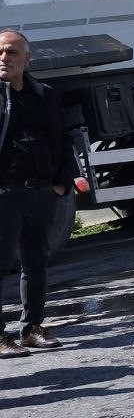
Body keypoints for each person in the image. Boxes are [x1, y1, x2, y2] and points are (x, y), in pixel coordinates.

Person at [0, 30, 76, 358]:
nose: (5, 58)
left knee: (35, 261)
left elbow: (62, 138)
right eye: (0, 52)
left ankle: (32, 329)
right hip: (5, 193)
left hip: (42, 191)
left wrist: (62, 183)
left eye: (13, 52)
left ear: (27, 59)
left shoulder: (44, 94)